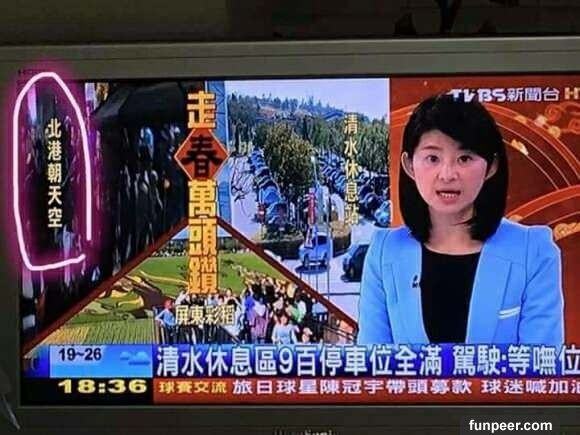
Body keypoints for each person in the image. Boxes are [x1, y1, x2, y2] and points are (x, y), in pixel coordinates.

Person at [358, 94, 564, 346]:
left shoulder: (534, 251)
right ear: (409, 165)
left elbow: (542, 364)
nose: (447, 175)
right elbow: (372, 361)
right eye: (433, 158)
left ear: (491, 166)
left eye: (464, 158)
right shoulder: (384, 253)